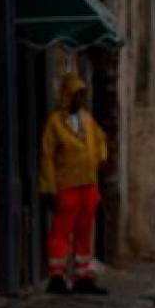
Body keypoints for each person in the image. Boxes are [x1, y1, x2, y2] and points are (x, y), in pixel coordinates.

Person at [39, 72, 109, 295]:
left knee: (84, 232)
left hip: (88, 184)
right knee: (61, 231)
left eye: (82, 95)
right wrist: (48, 187)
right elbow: (47, 156)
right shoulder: (55, 123)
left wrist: (99, 157)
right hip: (66, 184)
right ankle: (57, 275)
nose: (80, 100)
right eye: (76, 95)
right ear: (67, 96)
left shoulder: (87, 120)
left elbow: (100, 140)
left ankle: (82, 275)